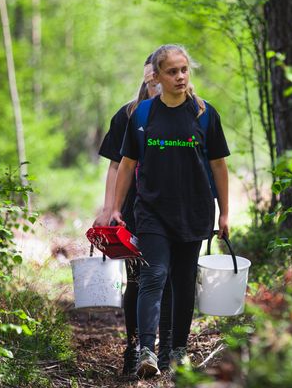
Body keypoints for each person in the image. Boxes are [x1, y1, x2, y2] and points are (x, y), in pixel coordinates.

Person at [109, 44, 230, 379]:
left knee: (182, 281)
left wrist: (225, 213)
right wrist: (116, 208)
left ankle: (175, 351)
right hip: (151, 211)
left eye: (184, 70)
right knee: (153, 274)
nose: (180, 76)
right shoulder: (142, 115)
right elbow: (126, 164)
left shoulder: (205, 114)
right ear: (157, 77)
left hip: (194, 210)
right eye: (172, 71)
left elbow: (219, 166)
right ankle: (147, 349)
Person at [93, 55, 174, 375]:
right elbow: (115, 166)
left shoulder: (186, 111)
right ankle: (136, 347)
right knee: (139, 280)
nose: (157, 84)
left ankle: (165, 350)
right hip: (131, 212)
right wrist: (108, 208)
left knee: (167, 279)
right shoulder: (127, 115)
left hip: (172, 209)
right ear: (148, 78)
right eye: (153, 78)